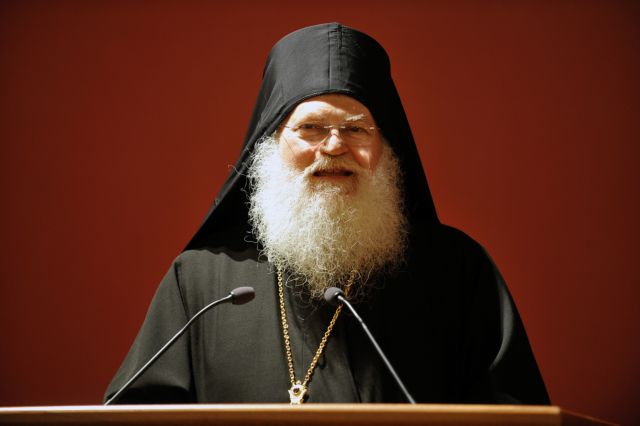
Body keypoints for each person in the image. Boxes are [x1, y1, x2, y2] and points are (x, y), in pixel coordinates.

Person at [104, 23, 550, 405]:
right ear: (270, 143)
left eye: (357, 129)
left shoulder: (456, 270)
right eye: (311, 128)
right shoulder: (201, 283)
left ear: (386, 150)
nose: (335, 146)